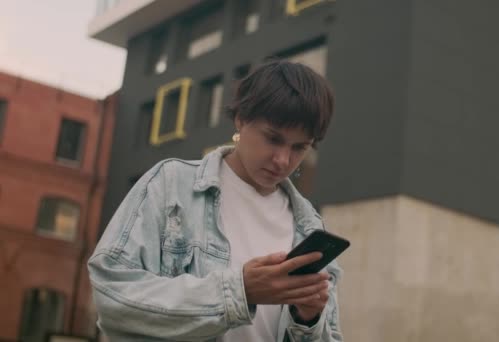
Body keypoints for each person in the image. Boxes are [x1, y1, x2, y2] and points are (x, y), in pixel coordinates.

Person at [88, 60, 344, 341]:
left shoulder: (309, 226)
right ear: (241, 119)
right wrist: (240, 291)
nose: (283, 160)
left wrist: (307, 319)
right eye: (273, 139)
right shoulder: (172, 184)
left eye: (299, 147)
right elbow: (111, 296)